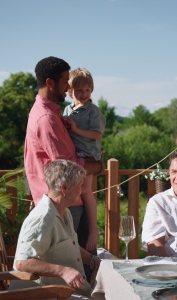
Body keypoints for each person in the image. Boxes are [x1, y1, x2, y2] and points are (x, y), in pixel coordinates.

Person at [23, 56, 103, 278]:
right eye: (65, 81)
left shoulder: (52, 111)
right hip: (64, 200)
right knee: (78, 264)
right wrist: (96, 167)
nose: (69, 86)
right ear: (50, 83)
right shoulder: (46, 118)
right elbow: (66, 168)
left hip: (70, 198)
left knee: (86, 259)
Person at [12, 160, 100, 297]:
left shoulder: (65, 212)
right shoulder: (42, 219)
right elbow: (23, 262)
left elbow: (71, 247)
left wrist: (94, 261)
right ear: (64, 188)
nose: (83, 190)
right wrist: (63, 271)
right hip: (43, 295)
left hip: (65, 293)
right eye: (80, 185)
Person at [62, 68, 105, 259]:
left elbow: (97, 134)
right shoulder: (66, 110)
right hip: (73, 156)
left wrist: (77, 129)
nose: (84, 94)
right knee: (76, 191)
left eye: (87, 90)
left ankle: (93, 229)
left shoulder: (92, 110)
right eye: (79, 90)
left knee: (86, 191)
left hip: (87, 156)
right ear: (70, 91)